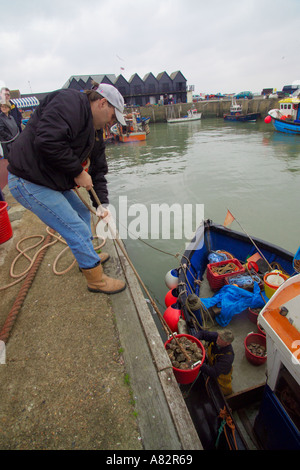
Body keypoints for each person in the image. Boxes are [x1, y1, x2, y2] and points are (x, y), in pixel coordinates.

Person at [7, 83, 127, 295]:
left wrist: (103, 205)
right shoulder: (70, 102)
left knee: (81, 213)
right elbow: (47, 140)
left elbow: (98, 172)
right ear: (102, 103)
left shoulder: (96, 134)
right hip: (28, 179)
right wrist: (78, 172)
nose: (112, 123)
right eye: (112, 116)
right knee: (75, 227)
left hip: (48, 179)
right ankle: (96, 281)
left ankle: (87, 254)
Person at [196, 329, 234, 396]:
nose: (218, 338)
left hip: (221, 375)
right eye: (219, 336)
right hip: (212, 364)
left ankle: (227, 396)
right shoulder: (217, 337)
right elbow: (202, 334)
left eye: (221, 339)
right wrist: (194, 340)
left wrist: (200, 364)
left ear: (227, 343)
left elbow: (214, 372)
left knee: (223, 390)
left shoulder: (227, 358)